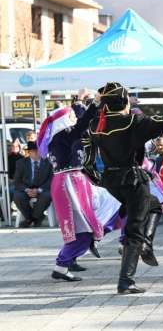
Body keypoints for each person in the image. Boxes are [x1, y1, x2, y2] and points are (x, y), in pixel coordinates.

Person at [84, 82, 163, 294]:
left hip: (110, 179)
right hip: (133, 180)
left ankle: (145, 244)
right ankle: (126, 280)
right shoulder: (131, 122)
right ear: (125, 101)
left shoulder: (95, 124)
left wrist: (97, 181)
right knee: (135, 228)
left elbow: (87, 162)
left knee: (155, 204)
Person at [36, 91, 122, 282]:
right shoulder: (63, 135)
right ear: (63, 121)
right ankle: (63, 264)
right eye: (71, 115)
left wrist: (79, 103)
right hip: (71, 184)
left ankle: (91, 240)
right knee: (82, 230)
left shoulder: (58, 137)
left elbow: (79, 124)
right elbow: (82, 124)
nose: (74, 117)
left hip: (73, 182)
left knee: (112, 203)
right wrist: (94, 104)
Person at [13, 141, 53, 227]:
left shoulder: (48, 163)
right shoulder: (21, 163)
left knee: (47, 196)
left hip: (42, 188)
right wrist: (27, 190)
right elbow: (17, 181)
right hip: (26, 188)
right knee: (17, 196)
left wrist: (39, 190)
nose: (36, 153)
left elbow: (51, 180)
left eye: (38, 150)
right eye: (33, 151)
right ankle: (36, 218)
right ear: (29, 152)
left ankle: (31, 219)